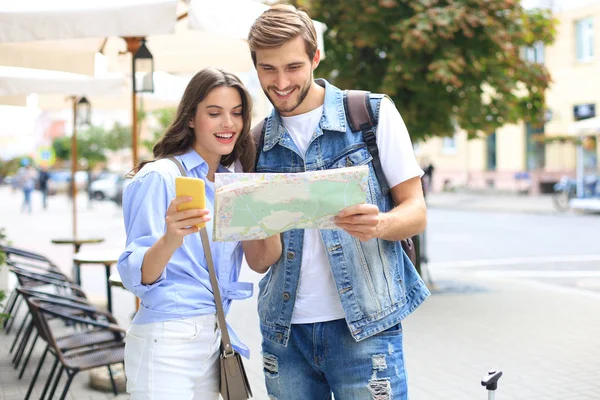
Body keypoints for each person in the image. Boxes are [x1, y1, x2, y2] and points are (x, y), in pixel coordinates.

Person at [246, 5, 430, 399]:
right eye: (268, 69)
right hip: (284, 336)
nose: (280, 83)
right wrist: (258, 220)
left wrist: (379, 224)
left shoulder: (370, 113)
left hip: (364, 330)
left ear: (315, 57)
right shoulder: (255, 142)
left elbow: (416, 212)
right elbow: (259, 261)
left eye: (293, 67)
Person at [117, 67, 281, 400]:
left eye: (236, 114)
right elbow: (136, 277)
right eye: (214, 113)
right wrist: (170, 239)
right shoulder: (159, 177)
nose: (228, 124)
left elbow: (262, 260)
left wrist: (275, 211)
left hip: (215, 336)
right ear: (191, 118)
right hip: (166, 339)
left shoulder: (230, 183)